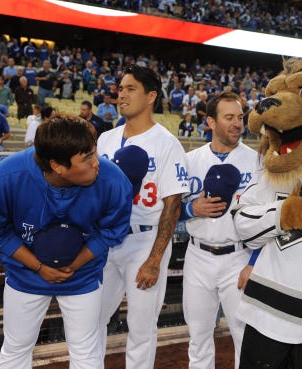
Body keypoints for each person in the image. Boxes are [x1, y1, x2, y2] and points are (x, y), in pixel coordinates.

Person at [0, 114, 133, 369]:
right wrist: (38, 267)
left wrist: (75, 265)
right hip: (25, 275)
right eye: (87, 158)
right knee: (16, 348)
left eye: (95, 153)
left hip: (83, 277)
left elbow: (112, 231)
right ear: (57, 165)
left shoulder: (113, 180)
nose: (96, 164)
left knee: (86, 352)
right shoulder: (6, 177)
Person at [97, 64, 189, 369]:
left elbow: (173, 206)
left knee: (140, 327)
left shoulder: (166, 143)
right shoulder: (105, 140)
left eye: (130, 88)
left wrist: (155, 259)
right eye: (120, 89)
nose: (121, 95)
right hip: (107, 241)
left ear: (151, 96)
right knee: (91, 318)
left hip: (145, 239)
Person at [181, 92, 259, 369]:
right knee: (198, 336)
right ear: (210, 122)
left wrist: (254, 263)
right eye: (229, 118)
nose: (237, 123)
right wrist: (192, 210)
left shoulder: (258, 161)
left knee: (245, 337)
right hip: (197, 255)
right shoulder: (189, 160)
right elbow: (167, 212)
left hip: (239, 256)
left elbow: (269, 218)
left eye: (240, 117)